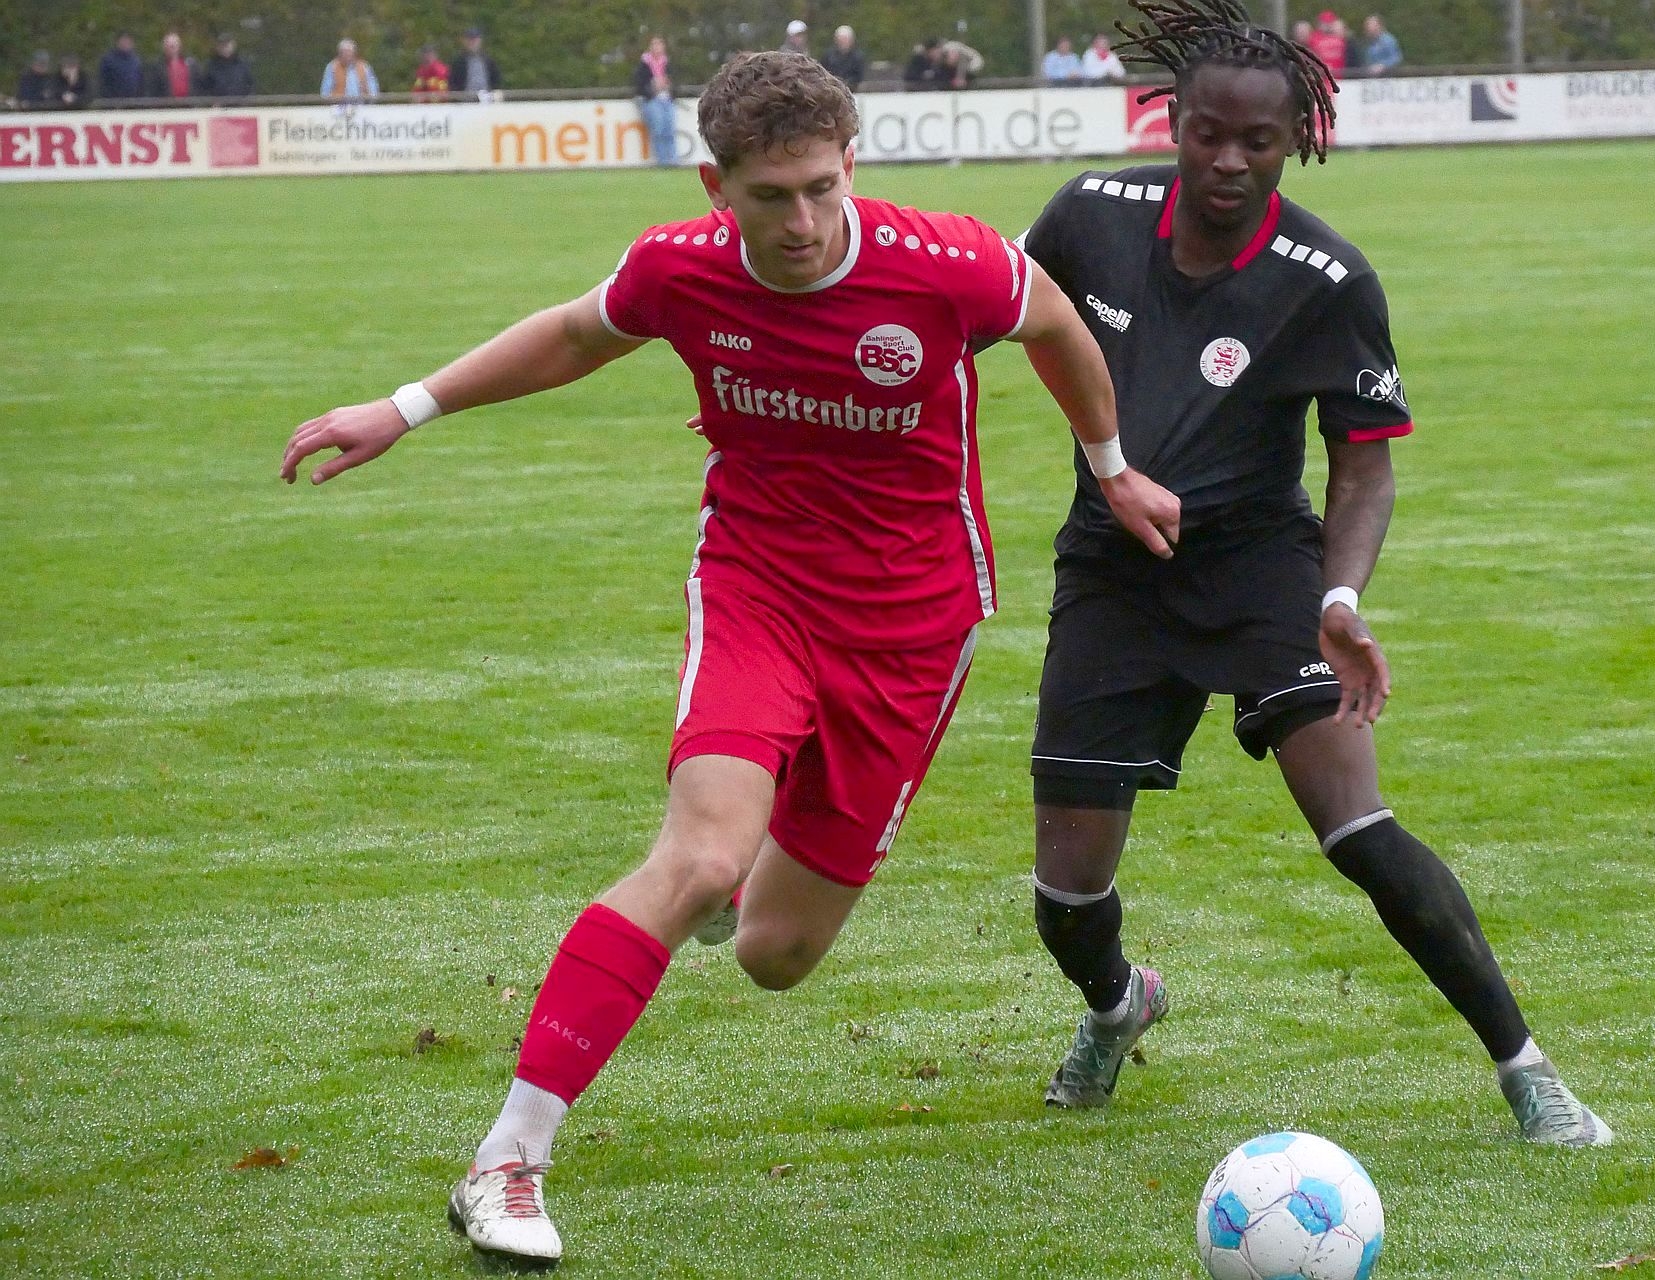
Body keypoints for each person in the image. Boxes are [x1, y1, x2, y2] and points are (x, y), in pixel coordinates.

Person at [279, 48, 1179, 1265]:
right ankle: (508, 1159)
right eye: (770, 197)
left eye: (820, 187)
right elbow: (574, 333)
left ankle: (735, 877)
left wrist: (1112, 467)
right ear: (716, 185)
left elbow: (1056, 321)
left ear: (851, 161)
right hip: (758, 590)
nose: (801, 222)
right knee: (699, 854)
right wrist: (405, 407)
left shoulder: (946, 262)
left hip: (915, 625)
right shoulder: (681, 269)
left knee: (774, 955)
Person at [1015, 0, 1612, 1150]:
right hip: (1112, 572)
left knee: (1359, 827)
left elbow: (1364, 465)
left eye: (1259, 141)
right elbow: (990, 313)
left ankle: (1528, 1072)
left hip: (1263, 573)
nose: (1229, 161)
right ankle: (1117, 1003)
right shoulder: (1089, 215)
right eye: (1208, 134)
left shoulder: (1327, 278)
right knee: (1067, 895)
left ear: (1299, 136)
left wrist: (1339, 599)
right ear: (1172, 120)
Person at [632, 37, 676, 165]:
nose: (657, 48)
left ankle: (673, 160)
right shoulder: (644, 65)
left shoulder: (667, 64)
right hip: (652, 100)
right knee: (658, 130)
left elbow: (675, 82)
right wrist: (652, 87)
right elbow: (639, 84)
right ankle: (662, 161)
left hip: (667, 99)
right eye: (655, 45)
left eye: (660, 45)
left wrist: (668, 85)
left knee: (670, 130)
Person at [143, 31, 197, 100]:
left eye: (174, 45)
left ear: (179, 46)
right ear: (164, 47)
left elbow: (199, 85)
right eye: (169, 46)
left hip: (190, 104)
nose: (172, 49)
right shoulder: (157, 66)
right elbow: (152, 89)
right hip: (166, 105)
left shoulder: (191, 63)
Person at [449, 28, 501, 96]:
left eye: (475, 40)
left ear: (480, 41)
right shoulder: (458, 62)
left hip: (486, 99)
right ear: (464, 42)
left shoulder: (488, 61)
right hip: (465, 99)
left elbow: (496, 80)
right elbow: (453, 82)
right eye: (469, 40)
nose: (472, 43)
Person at [200, 34, 255, 98]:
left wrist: (248, 100)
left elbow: (251, 86)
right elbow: (204, 88)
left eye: (227, 45)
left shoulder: (243, 64)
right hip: (218, 103)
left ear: (233, 45)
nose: (225, 48)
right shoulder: (210, 66)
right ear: (217, 47)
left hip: (241, 103)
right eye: (221, 45)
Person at [97, 33, 142, 100]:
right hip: (113, 100)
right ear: (117, 43)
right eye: (123, 41)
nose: (125, 44)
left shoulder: (136, 60)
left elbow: (140, 81)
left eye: (128, 42)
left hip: (134, 100)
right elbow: (103, 82)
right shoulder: (108, 60)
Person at [820, 25, 866, 90]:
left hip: (853, 90)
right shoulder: (828, 56)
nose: (843, 42)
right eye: (841, 39)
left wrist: (846, 83)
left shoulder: (858, 57)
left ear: (852, 40)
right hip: (831, 89)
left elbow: (859, 77)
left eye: (846, 39)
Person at [1306, 9, 1348, 77]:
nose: (1327, 25)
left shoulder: (1340, 37)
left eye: (1329, 22)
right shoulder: (1313, 38)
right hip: (1322, 75)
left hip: (1340, 74)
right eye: (1324, 22)